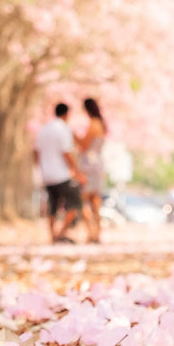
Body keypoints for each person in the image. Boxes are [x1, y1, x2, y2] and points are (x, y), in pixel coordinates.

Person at [34, 102, 82, 243]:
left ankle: (52, 236)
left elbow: (36, 152)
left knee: (53, 205)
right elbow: (66, 153)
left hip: (47, 175)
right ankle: (61, 233)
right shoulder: (63, 129)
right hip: (61, 175)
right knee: (75, 204)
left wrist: (39, 168)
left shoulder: (44, 129)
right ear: (67, 114)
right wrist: (76, 172)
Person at [76, 98, 109, 243]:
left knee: (85, 201)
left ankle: (91, 233)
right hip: (99, 164)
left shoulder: (93, 124)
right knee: (97, 202)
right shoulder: (101, 124)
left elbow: (84, 145)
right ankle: (97, 234)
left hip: (88, 165)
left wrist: (74, 137)